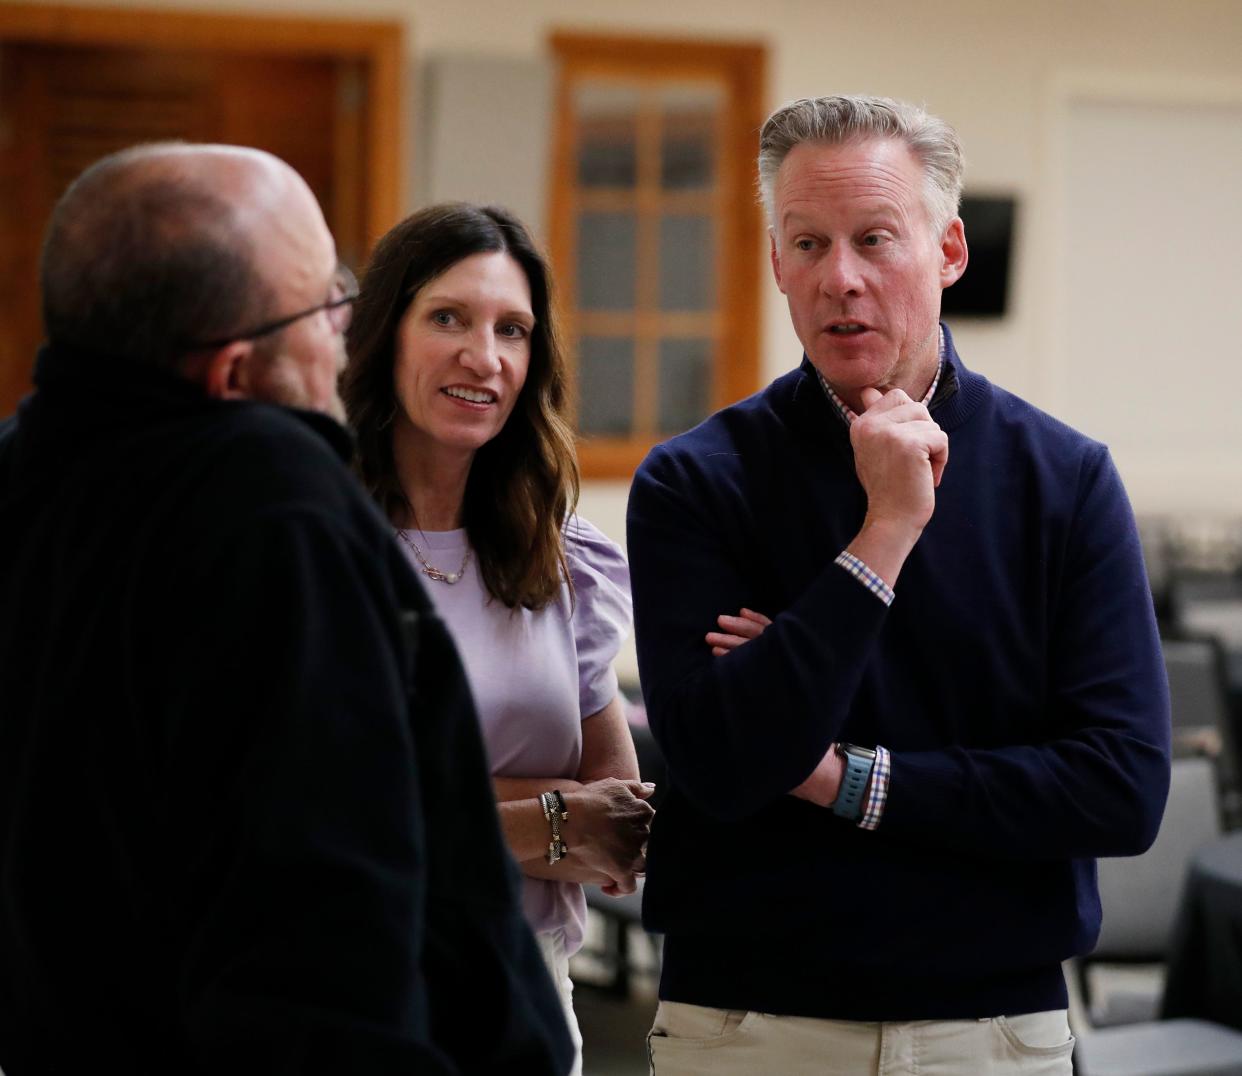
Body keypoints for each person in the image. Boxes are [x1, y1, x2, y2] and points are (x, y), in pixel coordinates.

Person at [626, 95, 1171, 1074]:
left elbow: (1119, 789)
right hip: (744, 1025)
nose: (841, 279)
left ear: (950, 249)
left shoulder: (1065, 478)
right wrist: (885, 533)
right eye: (808, 243)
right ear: (777, 261)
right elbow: (721, 761)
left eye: (876, 238)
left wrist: (845, 779)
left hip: (994, 1030)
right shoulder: (696, 478)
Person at [0, 144, 573, 1075]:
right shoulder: (272, 506)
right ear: (232, 376)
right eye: (324, 306)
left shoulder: (27, 471)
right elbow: (328, 923)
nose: (345, 332)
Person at [344, 202, 655, 1074]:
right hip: (357, 987)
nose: (483, 357)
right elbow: (331, 820)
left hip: (530, 991)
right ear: (385, 334)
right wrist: (553, 814)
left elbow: (621, 823)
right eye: (448, 317)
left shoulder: (562, 558)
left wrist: (446, 798)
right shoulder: (323, 544)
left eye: (512, 330)